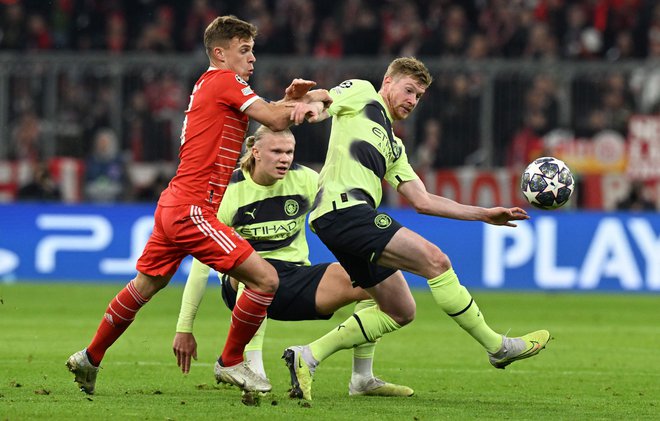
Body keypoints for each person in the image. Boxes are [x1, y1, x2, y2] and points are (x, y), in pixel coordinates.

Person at [66, 15, 329, 395]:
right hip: (193, 208)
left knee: (146, 284)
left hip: (175, 203)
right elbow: (273, 118)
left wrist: (293, 102)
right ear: (219, 53)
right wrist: (305, 103)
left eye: (253, 50)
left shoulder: (216, 86)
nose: (252, 58)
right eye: (244, 50)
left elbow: (271, 113)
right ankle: (231, 361)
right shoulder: (224, 80)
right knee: (265, 278)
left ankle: (89, 357)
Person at [283, 57, 550, 400]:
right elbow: (326, 101)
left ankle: (311, 358)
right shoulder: (362, 93)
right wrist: (309, 103)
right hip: (344, 210)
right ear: (388, 81)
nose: (412, 100)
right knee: (436, 262)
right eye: (408, 90)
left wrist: (484, 214)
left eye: (419, 96)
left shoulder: (395, 147)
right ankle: (497, 346)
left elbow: (423, 200)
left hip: (343, 219)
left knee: (399, 309)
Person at [172, 125, 413, 397]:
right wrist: (184, 328)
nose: (284, 158)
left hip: (295, 277)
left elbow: (342, 211)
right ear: (256, 152)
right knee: (253, 273)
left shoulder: (305, 179)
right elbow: (202, 264)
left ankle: (362, 378)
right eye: (276, 151)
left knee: (373, 282)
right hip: (243, 284)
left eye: (289, 151)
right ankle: (252, 368)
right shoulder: (230, 191)